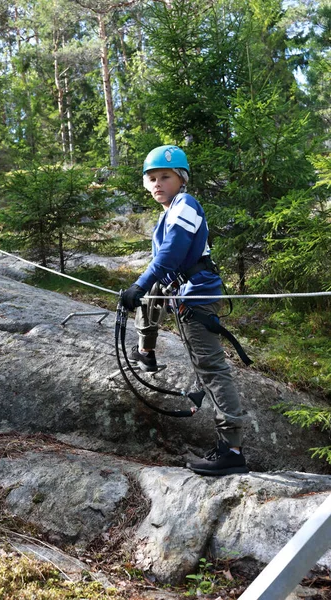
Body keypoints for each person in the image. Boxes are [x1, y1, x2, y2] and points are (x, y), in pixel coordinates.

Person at [121, 145, 249, 476]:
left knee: (212, 369)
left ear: (182, 179)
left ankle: (232, 450)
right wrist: (146, 294)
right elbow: (166, 266)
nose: (157, 183)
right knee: (205, 365)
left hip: (198, 299)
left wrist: (139, 284)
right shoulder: (172, 211)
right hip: (188, 296)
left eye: (165, 176)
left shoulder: (185, 206)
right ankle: (144, 351)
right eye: (151, 178)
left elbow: (172, 255)